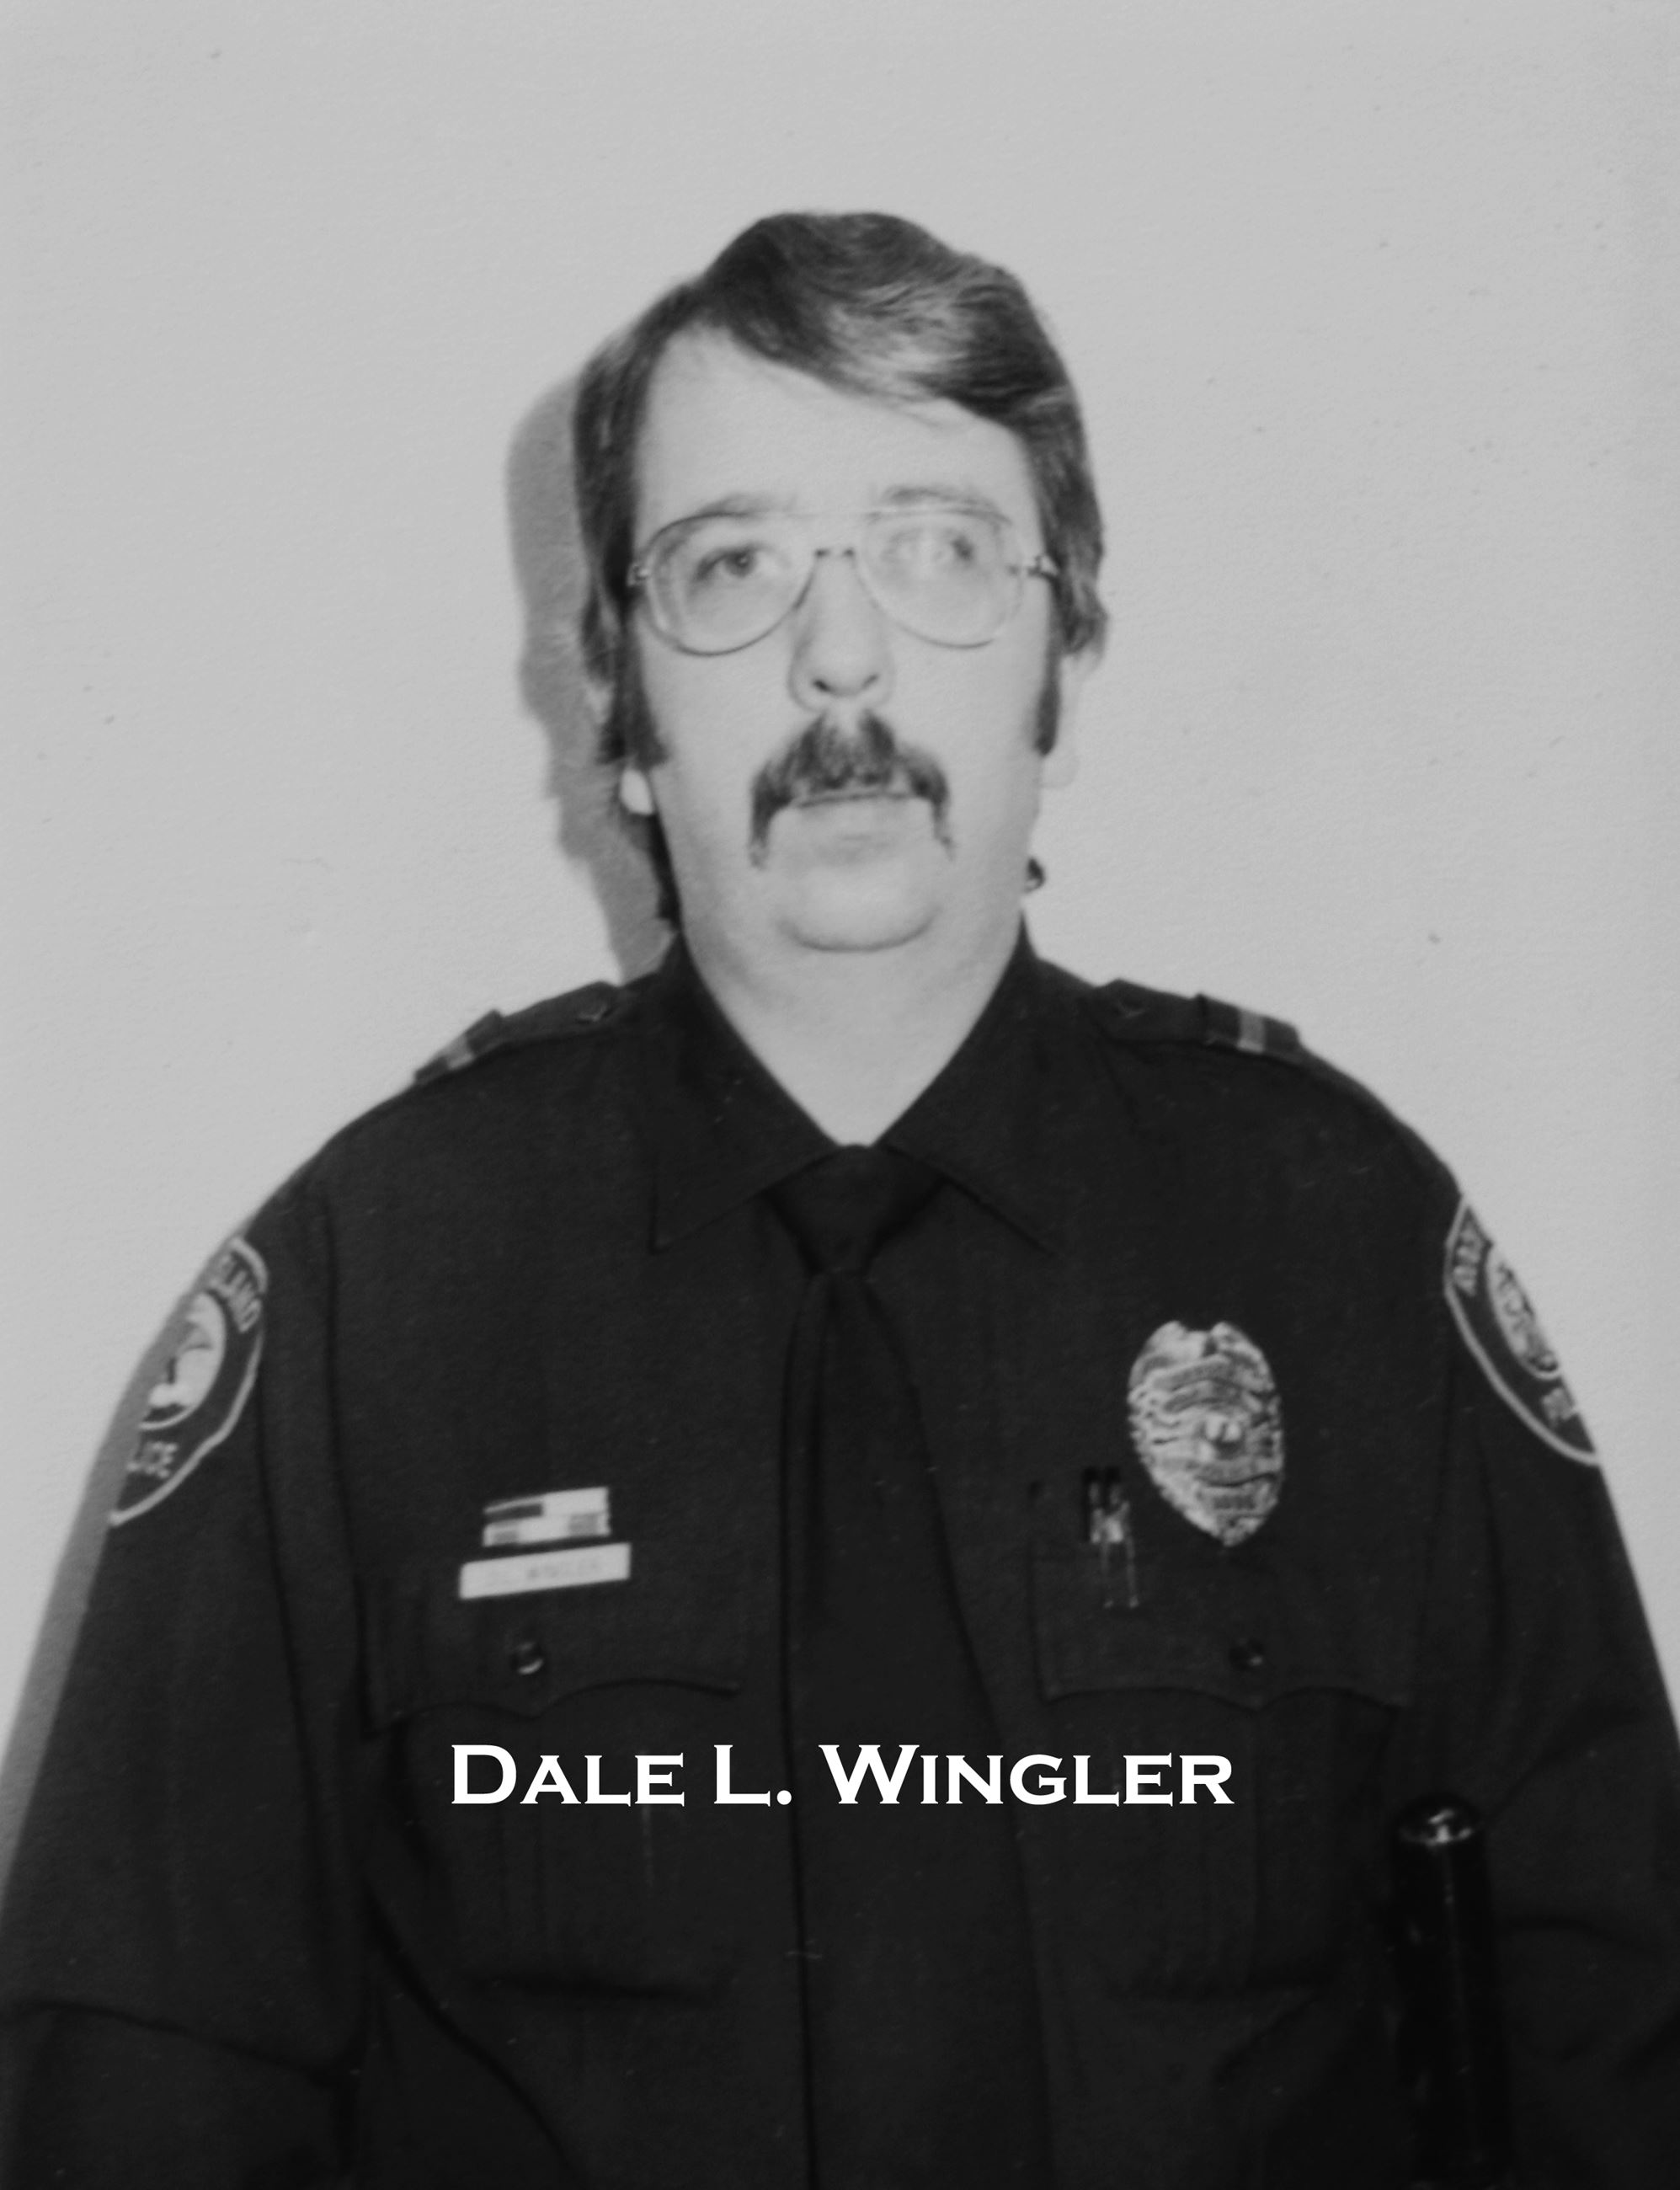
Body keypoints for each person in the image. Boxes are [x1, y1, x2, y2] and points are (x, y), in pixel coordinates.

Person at [0, 211, 1675, 2189]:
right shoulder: (377, 1284)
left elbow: (1610, 2035)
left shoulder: (1339, 1240)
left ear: (1064, 663)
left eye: (938, 549)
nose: (841, 653)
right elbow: (145, 2077)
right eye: (729, 566)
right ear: (618, 703)